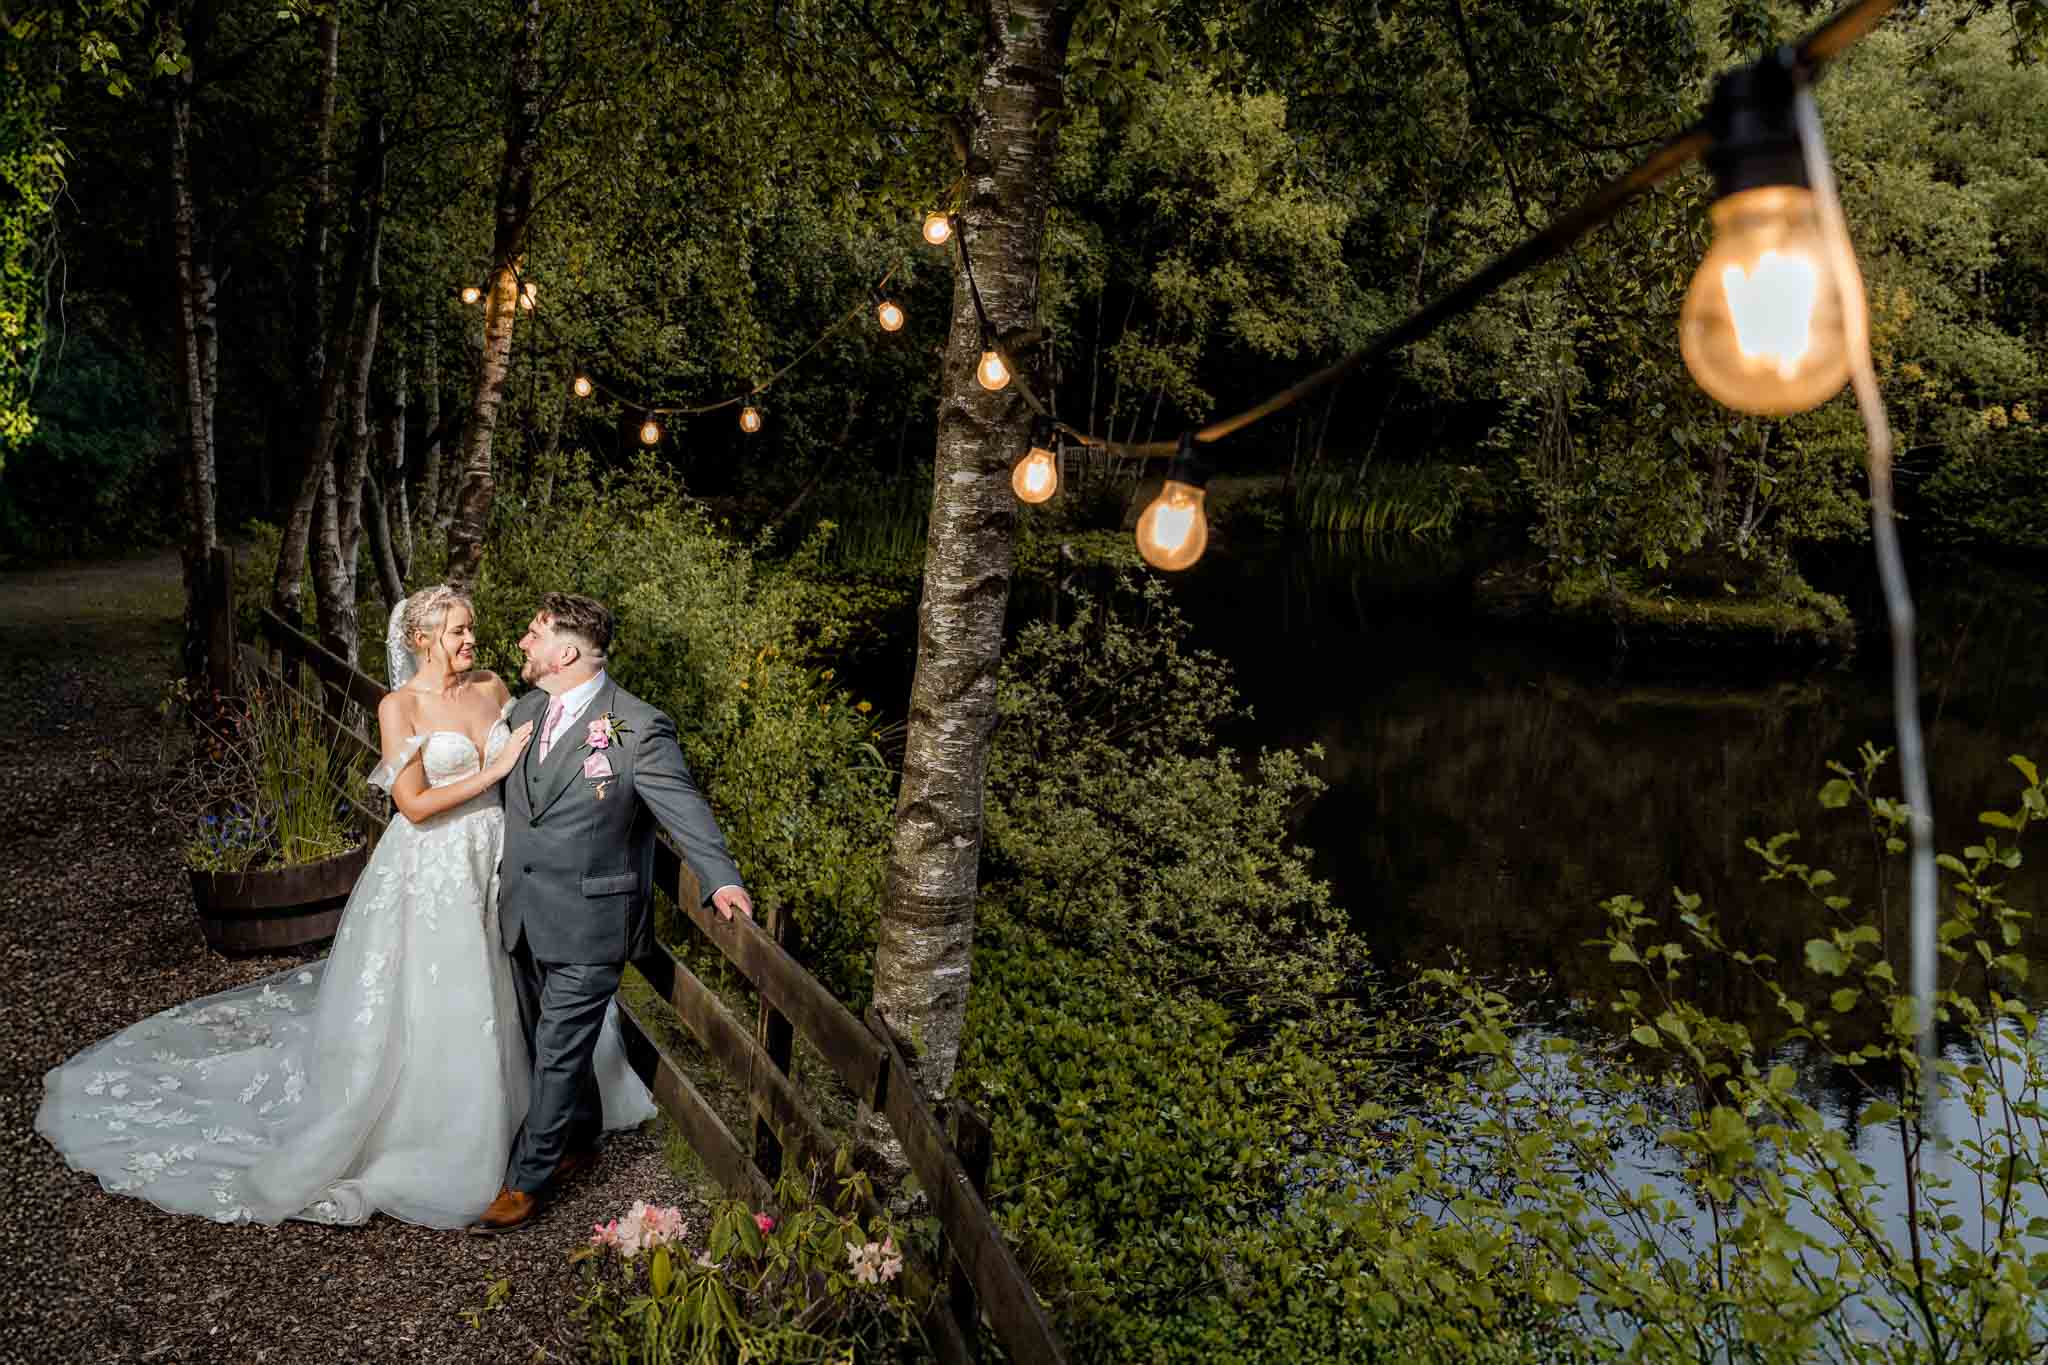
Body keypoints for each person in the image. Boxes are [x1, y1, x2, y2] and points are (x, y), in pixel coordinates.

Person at [35, 586, 656, 1228]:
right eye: (458, 631)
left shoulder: (495, 686)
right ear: (422, 640)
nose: (472, 639)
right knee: (444, 993)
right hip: (437, 865)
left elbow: (551, 753)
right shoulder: (399, 706)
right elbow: (413, 804)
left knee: (511, 986)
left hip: (499, 857)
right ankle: (445, 1138)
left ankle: (541, 1121)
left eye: (471, 628)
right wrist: (492, 771)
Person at [471, 592, 751, 1234]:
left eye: (534, 633)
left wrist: (721, 878)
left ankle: (525, 1180)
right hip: (524, 910)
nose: (523, 643)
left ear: (566, 653)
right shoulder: (527, 709)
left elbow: (684, 806)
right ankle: (578, 1137)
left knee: (557, 1049)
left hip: (593, 919)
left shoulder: (638, 727)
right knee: (544, 1037)